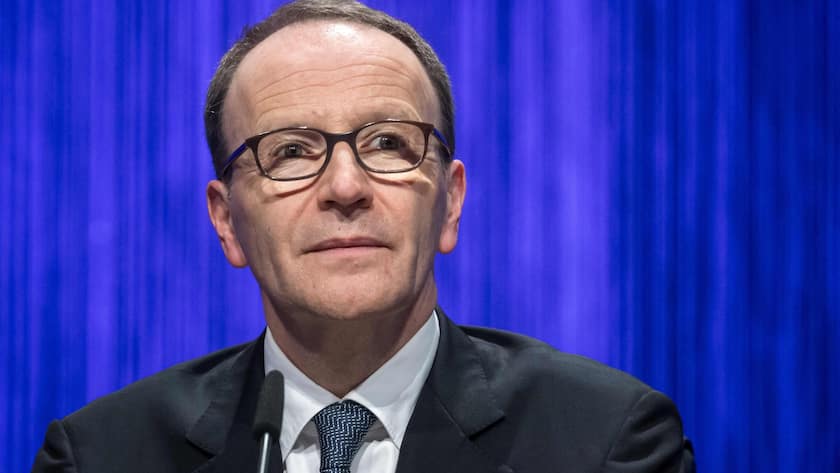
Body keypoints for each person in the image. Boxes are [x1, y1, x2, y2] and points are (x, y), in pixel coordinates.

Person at [32, 1, 695, 472]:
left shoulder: (606, 442)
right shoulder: (102, 454)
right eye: (290, 150)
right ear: (227, 220)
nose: (345, 186)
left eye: (387, 143)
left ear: (452, 202)